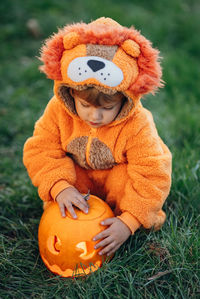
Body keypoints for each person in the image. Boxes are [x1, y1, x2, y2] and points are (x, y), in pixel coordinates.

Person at [23, 17, 172, 257]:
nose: (95, 116)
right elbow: (41, 149)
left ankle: (121, 217)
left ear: (125, 99)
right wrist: (60, 187)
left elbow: (152, 172)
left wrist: (129, 221)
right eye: (85, 105)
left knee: (131, 178)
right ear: (70, 91)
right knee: (63, 180)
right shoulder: (58, 110)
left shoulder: (137, 123)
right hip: (79, 179)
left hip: (117, 184)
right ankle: (69, 201)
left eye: (106, 108)